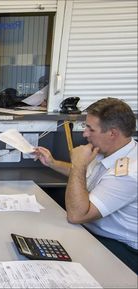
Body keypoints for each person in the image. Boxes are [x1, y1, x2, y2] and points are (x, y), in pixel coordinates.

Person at [33, 97, 137, 273]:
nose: (85, 134)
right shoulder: (108, 151)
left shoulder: (129, 173)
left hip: (119, 247)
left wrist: (79, 164)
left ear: (112, 133)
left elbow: (77, 215)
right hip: (91, 230)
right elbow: (83, 177)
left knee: (48, 266)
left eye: (90, 129)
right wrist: (52, 163)